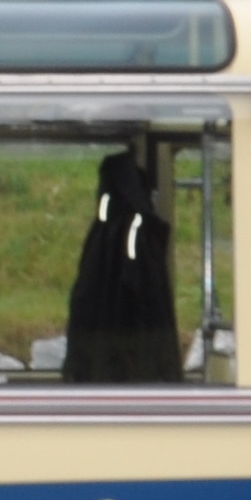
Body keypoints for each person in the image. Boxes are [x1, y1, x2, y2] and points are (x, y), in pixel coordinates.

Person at [61, 137, 181, 383]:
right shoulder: (134, 232)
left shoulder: (105, 232)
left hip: (108, 361)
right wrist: (165, 368)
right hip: (129, 364)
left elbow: (86, 300)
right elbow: (148, 302)